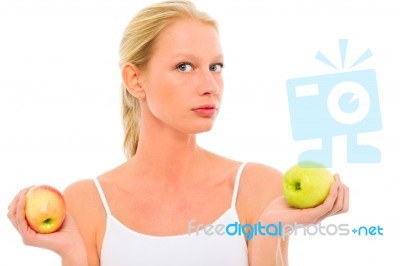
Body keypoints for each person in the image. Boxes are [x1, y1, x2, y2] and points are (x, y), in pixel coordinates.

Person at [7, 1, 349, 265]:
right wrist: (71, 252)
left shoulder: (257, 187)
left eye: (215, 67)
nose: (210, 85)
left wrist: (269, 231)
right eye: (184, 67)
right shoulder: (86, 201)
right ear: (134, 80)